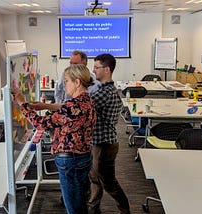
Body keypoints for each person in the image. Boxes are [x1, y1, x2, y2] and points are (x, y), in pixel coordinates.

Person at [12, 64, 97, 214]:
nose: (64, 85)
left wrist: (22, 103)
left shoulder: (71, 106)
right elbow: (67, 109)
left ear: (77, 82)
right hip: (83, 156)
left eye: (66, 81)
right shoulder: (87, 101)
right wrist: (44, 106)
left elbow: (41, 123)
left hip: (70, 159)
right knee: (79, 199)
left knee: (73, 206)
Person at [88, 53, 131, 214]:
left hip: (104, 145)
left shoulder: (104, 93)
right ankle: (93, 209)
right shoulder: (105, 89)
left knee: (109, 183)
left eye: (96, 68)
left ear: (106, 69)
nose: (93, 71)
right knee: (94, 179)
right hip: (100, 142)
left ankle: (125, 210)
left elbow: (81, 106)